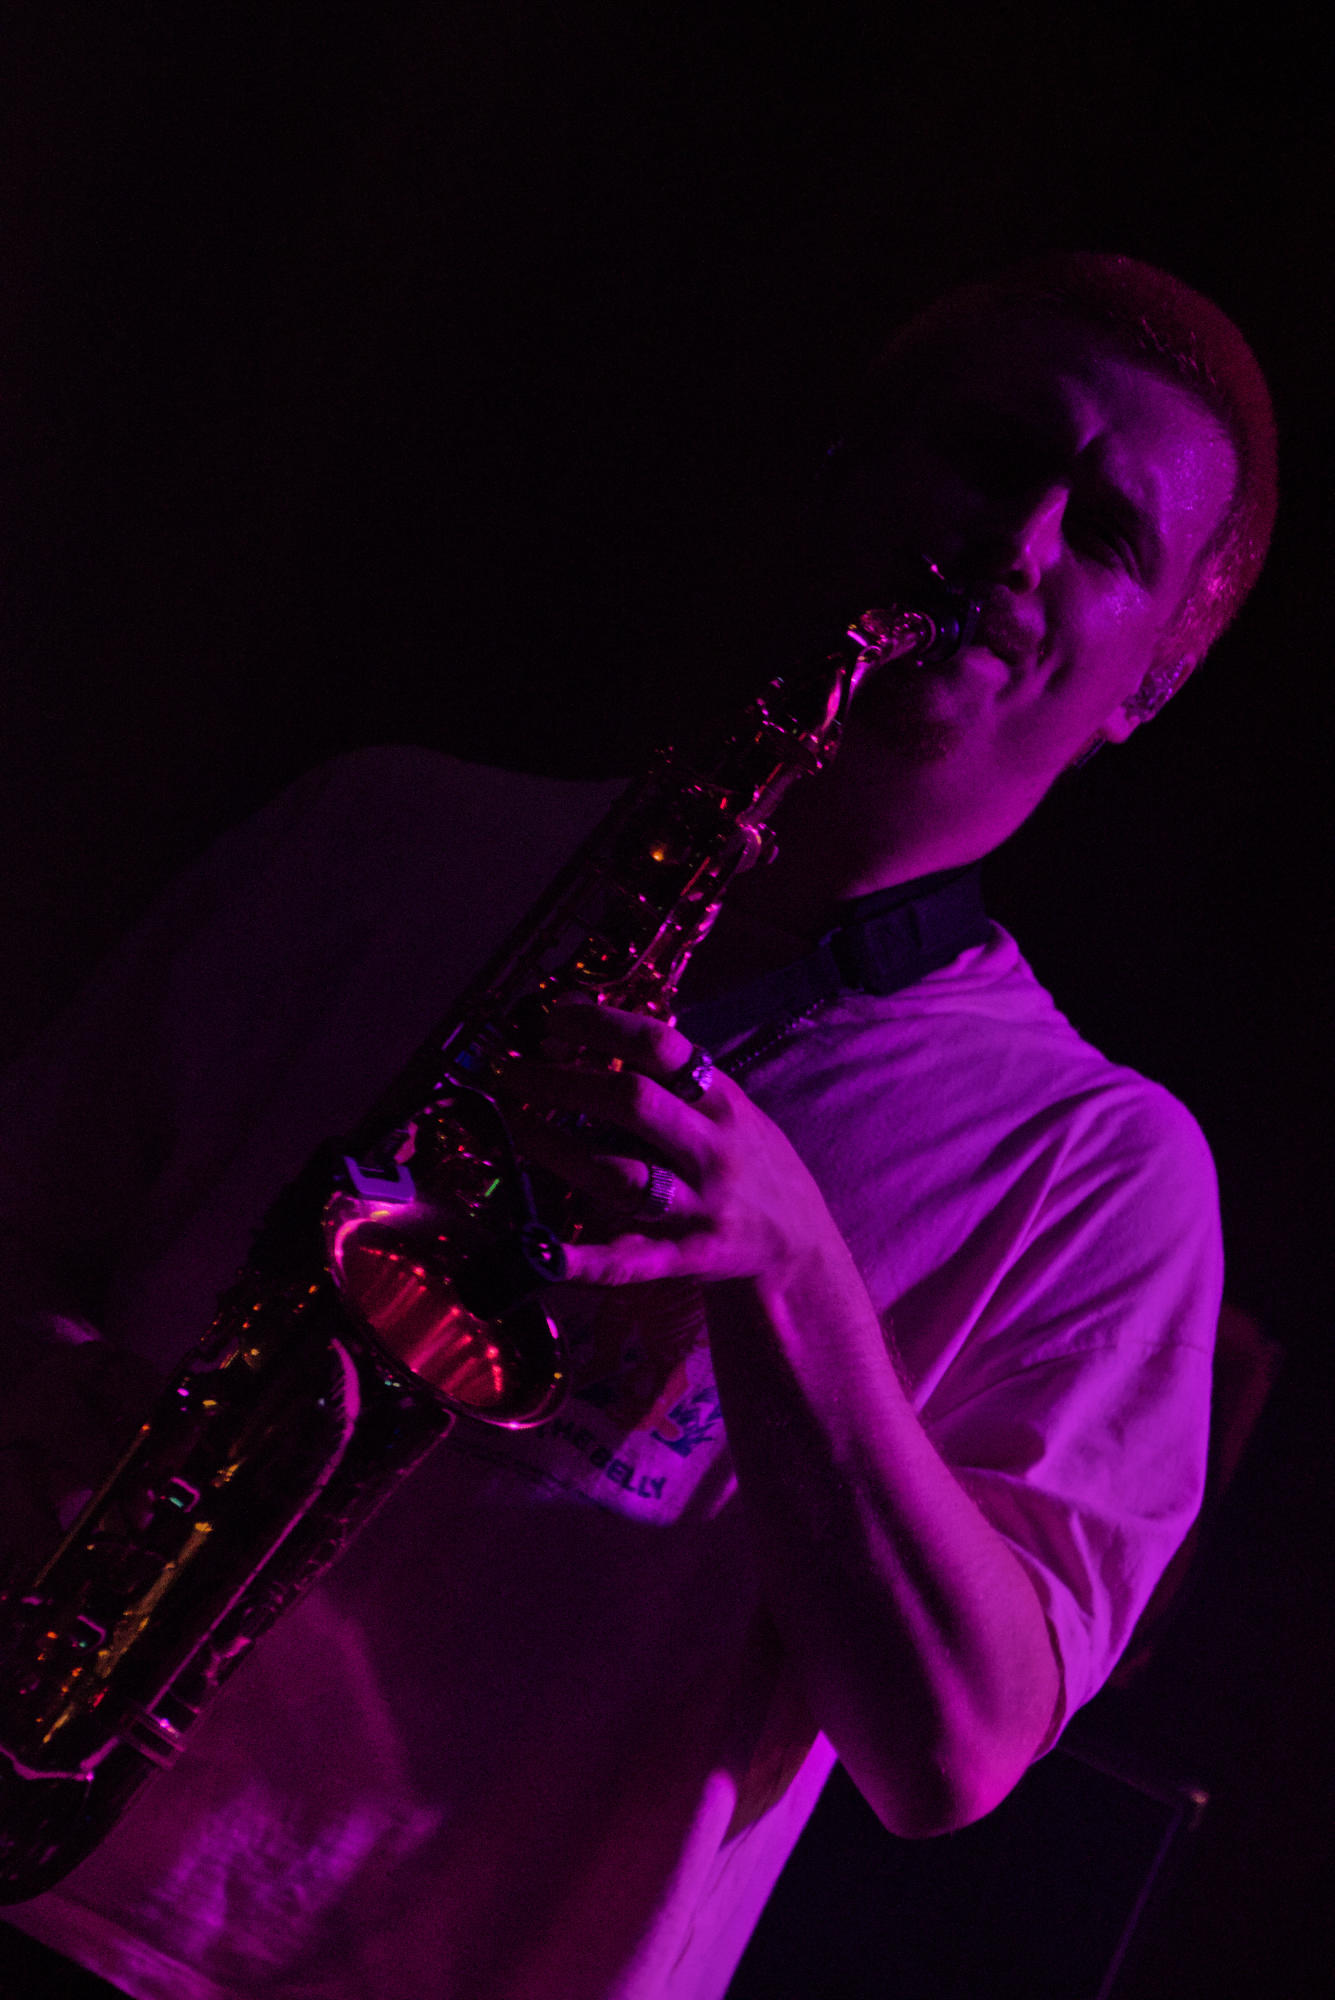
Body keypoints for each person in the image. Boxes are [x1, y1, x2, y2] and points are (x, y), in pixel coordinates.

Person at [0, 252, 1276, 2000]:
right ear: (852, 468)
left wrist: (793, 1274)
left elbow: (955, 1751)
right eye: (990, 455)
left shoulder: (1104, 1169)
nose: (1017, 539)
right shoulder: (379, 836)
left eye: (1108, 534)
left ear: (1147, 688)